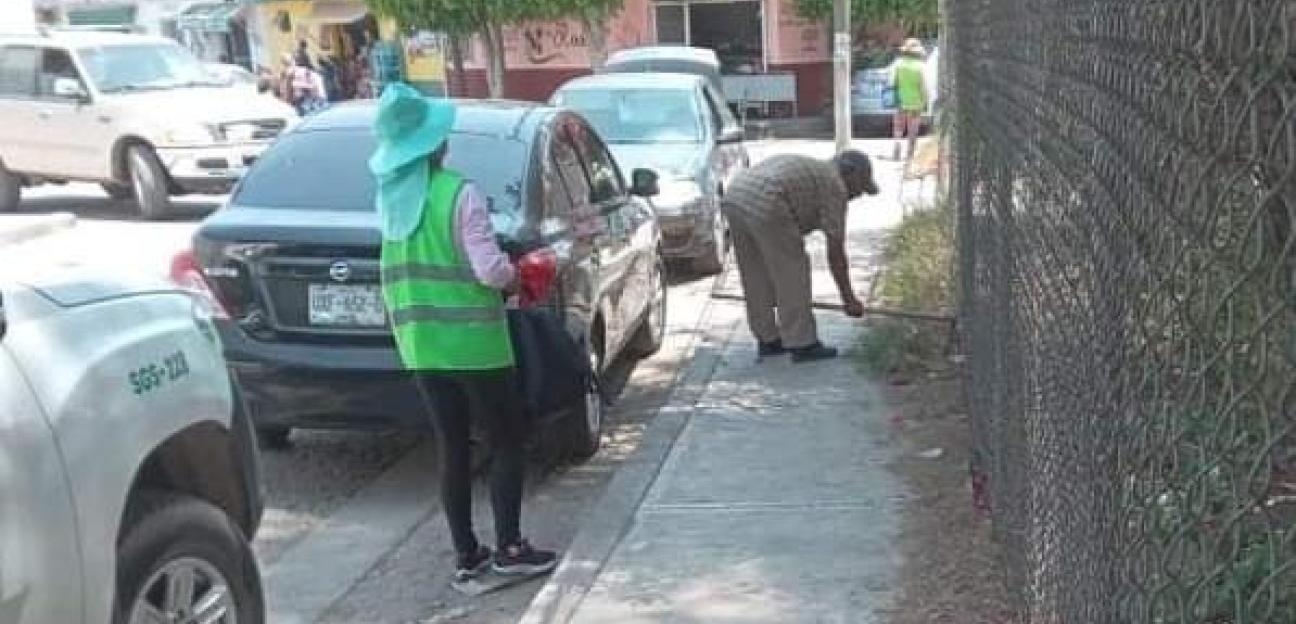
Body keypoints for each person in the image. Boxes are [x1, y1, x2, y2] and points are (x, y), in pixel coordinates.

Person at [368, 84, 558, 584]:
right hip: (475, 345)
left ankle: (467, 554)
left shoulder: (390, 205)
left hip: (421, 347)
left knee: (452, 447)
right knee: (506, 441)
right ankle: (510, 548)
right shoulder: (459, 193)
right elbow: (490, 272)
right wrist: (521, 276)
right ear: (436, 146)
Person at [720, 150, 880, 363]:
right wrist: (848, 299)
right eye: (860, 188)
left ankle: (768, 339)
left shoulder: (816, 169)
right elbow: (836, 253)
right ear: (850, 174)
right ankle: (802, 343)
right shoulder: (835, 185)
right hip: (768, 197)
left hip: (736, 195)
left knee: (755, 272)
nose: (857, 196)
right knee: (792, 269)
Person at [892, 38, 929, 162]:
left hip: (901, 100)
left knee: (899, 126)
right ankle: (910, 154)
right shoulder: (921, 66)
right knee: (913, 129)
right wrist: (925, 101)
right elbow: (923, 86)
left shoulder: (898, 64)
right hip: (915, 102)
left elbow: (894, 82)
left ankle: (897, 147)